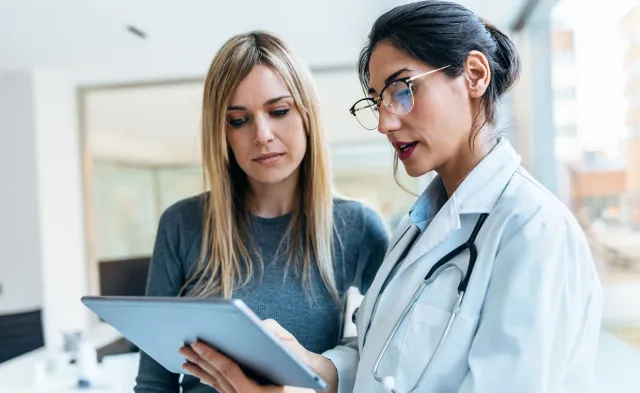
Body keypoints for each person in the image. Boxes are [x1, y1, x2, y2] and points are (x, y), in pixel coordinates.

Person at [178, 2, 604, 393]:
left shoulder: (532, 231)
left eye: (402, 90)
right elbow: (376, 359)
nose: (384, 122)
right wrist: (310, 365)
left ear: (474, 75)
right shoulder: (417, 229)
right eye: (379, 100)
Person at [134, 31, 390, 393]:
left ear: (306, 115)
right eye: (239, 120)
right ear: (221, 133)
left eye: (279, 111)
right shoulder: (182, 224)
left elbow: (392, 357)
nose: (262, 134)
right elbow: (153, 383)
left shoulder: (356, 228)